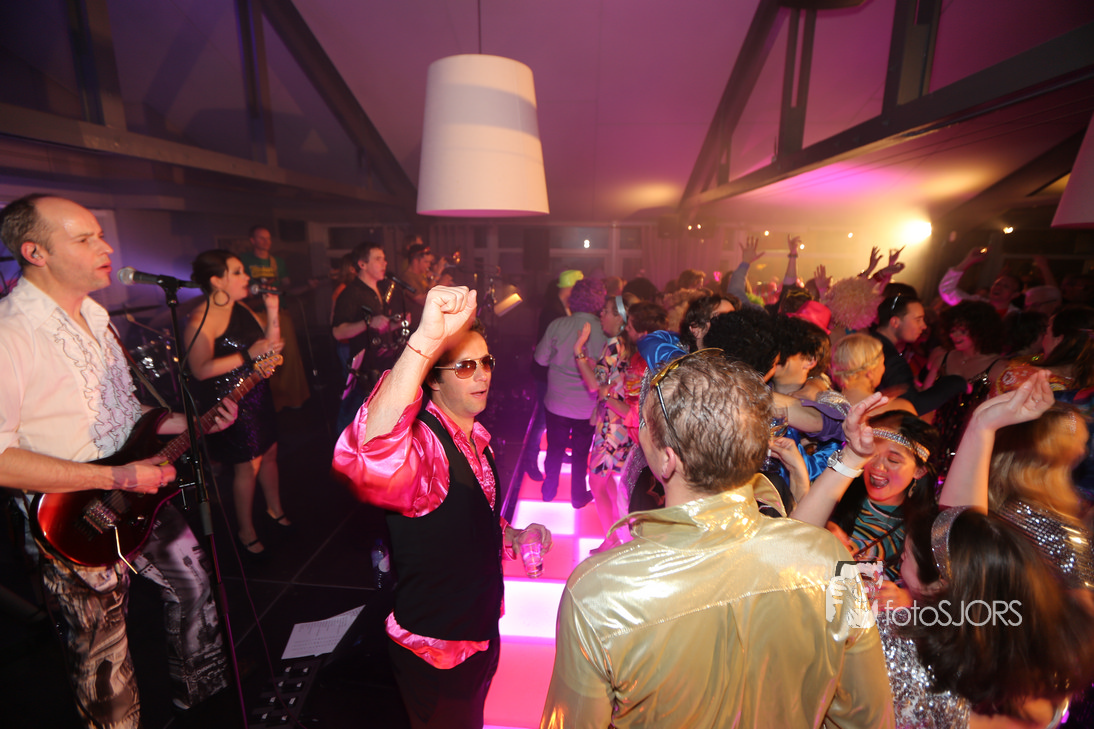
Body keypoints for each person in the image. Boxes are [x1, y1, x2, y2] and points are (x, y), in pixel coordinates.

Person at [541, 351, 894, 728]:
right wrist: (851, 459)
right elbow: (868, 716)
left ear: (667, 460)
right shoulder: (831, 559)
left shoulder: (598, 593)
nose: (639, 429)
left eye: (645, 422)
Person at [0, 194, 237, 726]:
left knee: (195, 586)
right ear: (35, 252)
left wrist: (188, 421)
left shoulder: (96, 314)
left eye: (101, 235)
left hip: (135, 490)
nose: (106, 247)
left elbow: (125, 412)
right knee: (103, 655)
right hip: (71, 518)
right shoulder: (10, 333)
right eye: (85, 239)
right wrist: (117, 475)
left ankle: (199, 702)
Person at [332, 286, 551, 729]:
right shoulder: (426, 447)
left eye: (486, 362)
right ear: (433, 379)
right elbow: (368, 456)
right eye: (465, 366)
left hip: (479, 631)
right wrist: (423, 344)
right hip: (437, 651)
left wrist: (508, 534)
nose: (482, 375)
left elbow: (462, 515)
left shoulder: (475, 437)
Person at [185, 249, 288, 557]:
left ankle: (275, 510)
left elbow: (269, 347)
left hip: (257, 392)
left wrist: (272, 310)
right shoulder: (201, 318)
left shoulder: (240, 307)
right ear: (217, 281)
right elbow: (200, 369)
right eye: (238, 272)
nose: (247, 277)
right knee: (248, 466)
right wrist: (247, 355)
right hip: (232, 402)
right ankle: (246, 531)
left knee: (269, 453)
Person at [535, 278, 609, 507]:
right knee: (580, 452)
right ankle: (577, 496)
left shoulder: (558, 325)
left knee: (555, 448)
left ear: (574, 298)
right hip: (586, 406)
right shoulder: (604, 331)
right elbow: (604, 375)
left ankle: (549, 490)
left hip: (557, 400)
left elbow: (540, 359)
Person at [239, 225, 314, 410]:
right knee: (264, 357)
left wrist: (307, 286)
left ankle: (292, 399)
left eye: (268, 238)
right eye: (261, 238)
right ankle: (270, 402)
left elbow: (286, 287)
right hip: (256, 314)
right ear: (252, 240)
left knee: (288, 355)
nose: (266, 242)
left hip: (279, 313)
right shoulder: (244, 260)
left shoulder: (277, 262)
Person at [332, 241, 398, 433]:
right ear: (362, 264)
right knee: (351, 418)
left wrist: (394, 324)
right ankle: (342, 448)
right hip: (362, 369)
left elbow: (378, 326)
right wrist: (368, 322)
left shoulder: (379, 288)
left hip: (378, 363)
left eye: (384, 259)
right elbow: (338, 332)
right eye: (378, 259)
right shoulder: (351, 293)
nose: (384, 263)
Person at [829, 333, 916, 416]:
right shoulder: (901, 409)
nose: (884, 368)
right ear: (870, 372)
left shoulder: (827, 406)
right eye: (882, 363)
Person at [938, 245, 1021, 317]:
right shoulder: (975, 305)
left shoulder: (1016, 316)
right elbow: (947, 290)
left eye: (1006, 286)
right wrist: (968, 260)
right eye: (997, 284)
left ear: (1015, 294)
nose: (998, 288)